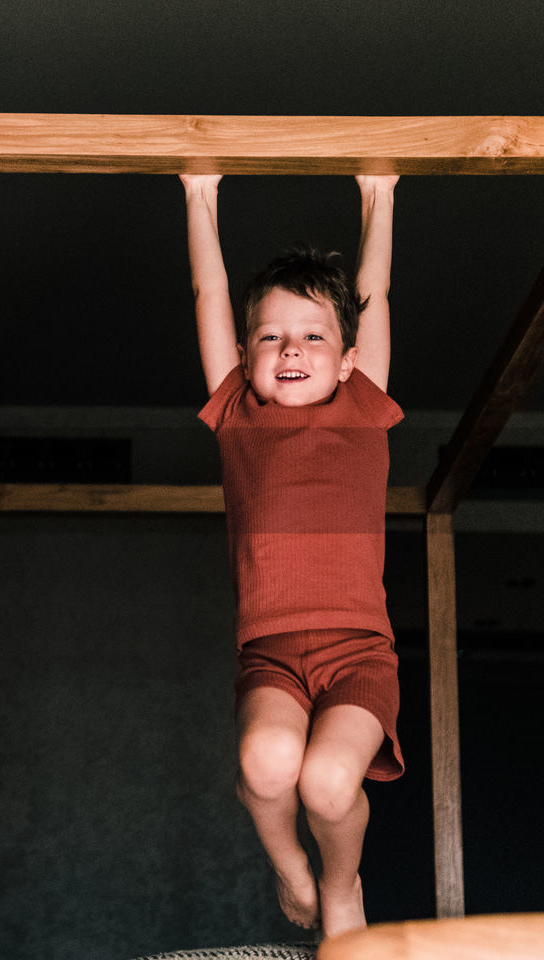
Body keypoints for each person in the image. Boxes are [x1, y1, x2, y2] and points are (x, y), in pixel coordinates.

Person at [180, 172, 401, 938]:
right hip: (271, 652)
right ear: (247, 356)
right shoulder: (239, 412)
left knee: (330, 781)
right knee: (266, 765)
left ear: (346, 359)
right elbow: (210, 296)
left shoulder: (364, 406)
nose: (292, 350)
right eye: (271, 337)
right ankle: (291, 868)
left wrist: (380, 194)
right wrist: (198, 191)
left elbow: (372, 293)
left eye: (313, 336)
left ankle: (342, 887)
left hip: (358, 652)